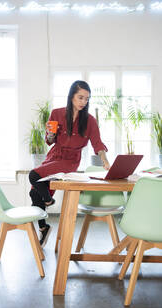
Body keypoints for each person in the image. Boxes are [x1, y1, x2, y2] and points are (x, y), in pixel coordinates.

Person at [29, 80, 110, 247]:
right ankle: (44, 228)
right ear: (71, 96)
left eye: (87, 99)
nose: (83, 102)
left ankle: (48, 200)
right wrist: (51, 135)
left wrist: (105, 162)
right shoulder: (57, 113)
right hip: (54, 155)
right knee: (34, 194)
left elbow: (98, 144)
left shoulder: (89, 120)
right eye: (80, 97)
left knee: (33, 175)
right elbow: (50, 141)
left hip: (70, 160)